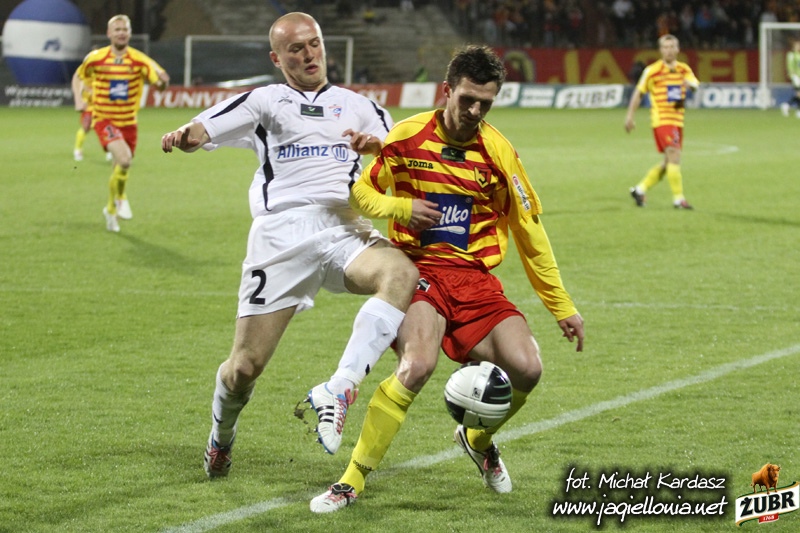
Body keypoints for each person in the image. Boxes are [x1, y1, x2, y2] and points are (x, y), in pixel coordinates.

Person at [310, 45, 585, 513]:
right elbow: (361, 192)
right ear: (447, 91)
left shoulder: (500, 153)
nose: (475, 111)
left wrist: (561, 305)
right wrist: (401, 208)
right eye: (467, 99)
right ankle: (351, 481)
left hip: (475, 279)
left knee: (528, 368)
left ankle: (477, 441)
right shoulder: (407, 136)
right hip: (420, 274)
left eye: (485, 103)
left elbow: (529, 232)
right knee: (417, 366)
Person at [161, 12, 423, 477]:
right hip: (280, 237)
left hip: (344, 227)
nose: (309, 54)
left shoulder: (360, 106)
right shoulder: (266, 100)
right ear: (277, 58)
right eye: (296, 48)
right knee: (244, 368)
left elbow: (404, 156)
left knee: (400, 273)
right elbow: (206, 127)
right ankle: (221, 437)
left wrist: (376, 149)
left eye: (314, 43)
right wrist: (186, 137)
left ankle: (340, 388)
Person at [75, 14, 170, 232]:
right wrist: (80, 99)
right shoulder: (96, 58)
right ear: (109, 33)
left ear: (129, 33)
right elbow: (79, 76)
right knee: (125, 160)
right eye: (117, 29)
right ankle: (120, 198)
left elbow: (159, 83)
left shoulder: (139, 59)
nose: (121, 33)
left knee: (120, 167)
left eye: (124, 29)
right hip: (104, 119)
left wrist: (163, 83)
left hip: (129, 122)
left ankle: (110, 209)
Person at [625, 34, 699, 210]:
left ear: (678, 49)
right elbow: (639, 92)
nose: (669, 50)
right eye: (665, 47)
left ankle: (640, 189)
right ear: (660, 50)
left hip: (678, 121)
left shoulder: (683, 69)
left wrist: (691, 86)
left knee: (668, 162)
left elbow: (695, 84)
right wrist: (630, 116)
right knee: (674, 155)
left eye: (672, 47)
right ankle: (678, 199)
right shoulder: (652, 71)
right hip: (662, 120)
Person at [71, 67, 114, 163]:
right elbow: (78, 80)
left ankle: (109, 151)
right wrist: (80, 99)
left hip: (102, 105)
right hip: (89, 105)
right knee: (86, 127)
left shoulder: (106, 69)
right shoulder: (86, 69)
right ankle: (77, 150)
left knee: (106, 128)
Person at [781, 39, 800, 118]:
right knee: (799, 94)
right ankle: (797, 110)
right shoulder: (791, 55)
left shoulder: (798, 55)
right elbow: (790, 66)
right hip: (796, 77)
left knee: (798, 94)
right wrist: (793, 76)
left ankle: (787, 105)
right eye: (798, 45)